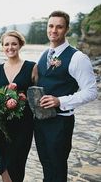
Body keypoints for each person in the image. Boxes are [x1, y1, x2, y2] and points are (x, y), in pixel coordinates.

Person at [34, 10, 98, 182]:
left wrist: (60, 100)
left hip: (60, 123)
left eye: (59, 27)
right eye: (51, 26)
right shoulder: (43, 54)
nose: (54, 30)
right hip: (41, 121)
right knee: (46, 165)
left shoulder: (77, 57)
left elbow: (91, 91)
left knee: (57, 167)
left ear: (67, 29)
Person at [0, 30, 37, 182]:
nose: (10, 47)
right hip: (1, 125)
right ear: (2, 47)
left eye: (14, 44)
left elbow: (38, 96)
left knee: (17, 163)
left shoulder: (32, 67)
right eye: (6, 44)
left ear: (20, 45)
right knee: (2, 160)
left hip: (23, 125)